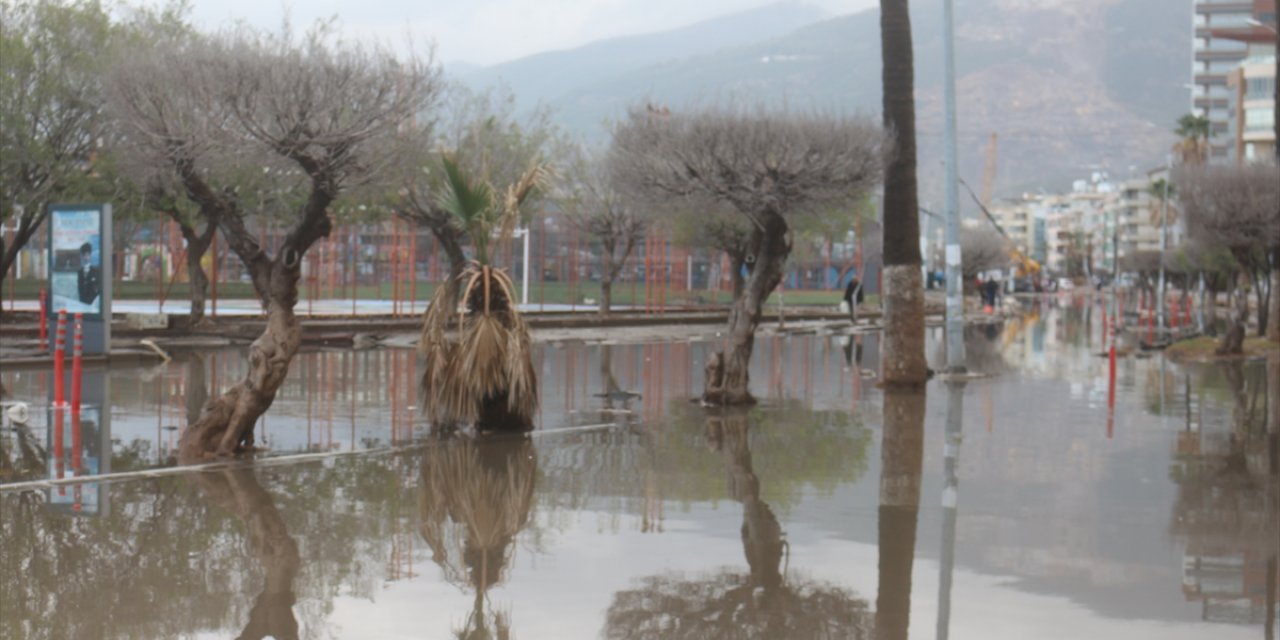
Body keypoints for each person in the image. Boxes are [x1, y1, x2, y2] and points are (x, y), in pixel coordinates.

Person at [77, 242, 101, 306]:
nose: (86, 257)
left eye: (88, 255)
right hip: (82, 303)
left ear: (90, 255)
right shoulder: (80, 272)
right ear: (82, 256)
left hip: (93, 303)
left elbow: (97, 288)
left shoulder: (96, 271)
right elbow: (80, 289)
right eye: (84, 255)